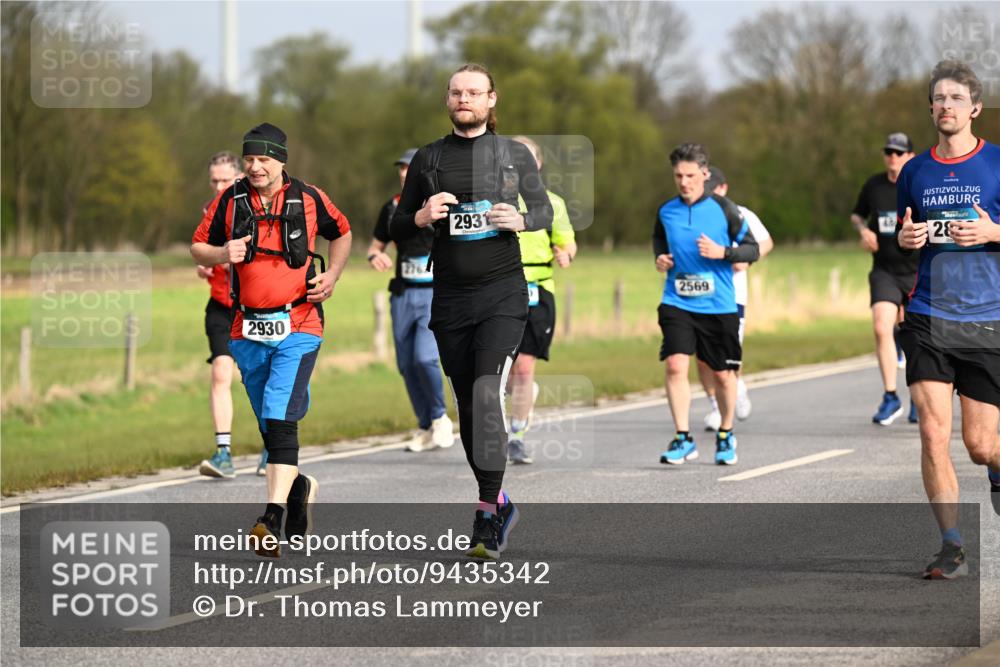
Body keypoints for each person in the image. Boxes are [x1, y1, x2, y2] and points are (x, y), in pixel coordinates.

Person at [390, 64, 553, 559]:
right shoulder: (429, 157)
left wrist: (520, 219)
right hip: (451, 299)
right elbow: (398, 223)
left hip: (502, 295)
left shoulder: (513, 154)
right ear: (448, 100)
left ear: (491, 100)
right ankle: (499, 501)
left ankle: (484, 514)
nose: (465, 99)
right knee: (469, 409)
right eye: (457, 92)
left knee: (486, 395)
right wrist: (421, 215)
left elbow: (544, 210)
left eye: (474, 92)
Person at [191, 122, 352, 557]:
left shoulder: (310, 197)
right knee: (269, 422)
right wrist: (222, 253)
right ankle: (298, 489)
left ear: (281, 160)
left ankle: (271, 519)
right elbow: (198, 246)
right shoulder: (230, 200)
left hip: (299, 324)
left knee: (280, 414)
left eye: (263, 159)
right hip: (246, 328)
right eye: (249, 159)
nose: (255, 166)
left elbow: (342, 231)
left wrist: (333, 275)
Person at [896, 60, 1000, 579]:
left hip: (987, 318)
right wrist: (905, 238)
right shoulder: (915, 171)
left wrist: (992, 233)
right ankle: (952, 546)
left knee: (980, 446)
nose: (946, 106)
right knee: (933, 431)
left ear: (975, 108)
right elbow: (904, 232)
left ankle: (996, 469)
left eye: (956, 98)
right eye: (938, 98)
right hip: (928, 314)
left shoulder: (997, 163)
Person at [653, 143, 759, 466]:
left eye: (690, 176)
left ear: (704, 174)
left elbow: (752, 249)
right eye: (678, 176)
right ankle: (683, 437)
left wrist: (723, 252)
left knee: (723, 376)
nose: (684, 182)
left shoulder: (725, 209)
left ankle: (726, 433)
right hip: (677, 300)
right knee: (675, 365)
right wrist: (660, 259)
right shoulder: (666, 211)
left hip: (718, 305)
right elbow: (659, 242)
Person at [367, 149, 455, 452]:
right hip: (402, 294)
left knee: (425, 358)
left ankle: (440, 417)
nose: (404, 173)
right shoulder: (392, 207)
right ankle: (426, 425)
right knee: (406, 364)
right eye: (401, 168)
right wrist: (375, 256)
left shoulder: (443, 204)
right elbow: (376, 246)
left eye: (410, 167)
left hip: (434, 293)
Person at [195, 152, 269, 479]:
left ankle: (272, 447)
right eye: (214, 181)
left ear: (239, 177)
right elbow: (202, 251)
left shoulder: (257, 208)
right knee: (221, 373)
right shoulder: (210, 212)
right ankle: (223, 453)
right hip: (221, 306)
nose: (218, 186)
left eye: (225, 180)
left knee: (259, 378)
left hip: (253, 307)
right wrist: (206, 264)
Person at [506, 135, 577, 465]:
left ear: (537, 164)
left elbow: (567, 242)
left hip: (538, 288)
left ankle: (516, 436)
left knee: (524, 367)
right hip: (500, 289)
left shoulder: (553, 203)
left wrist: (566, 254)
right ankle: (521, 396)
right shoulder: (492, 199)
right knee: (498, 370)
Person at [851, 133, 919, 426]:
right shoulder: (874, 185)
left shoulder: (919, 185)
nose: (893, 157)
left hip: (917, 270)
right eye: (889, 152)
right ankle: (891, 396)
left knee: (915, 335)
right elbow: (857, 215)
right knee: (881, 327)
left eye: (899, 152)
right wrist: (864, 231)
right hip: (885, 270)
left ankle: (919, 396)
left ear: (910, 156)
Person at [698, 167, 773, 431]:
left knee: (727, 353)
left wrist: (746, 260)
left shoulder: (741, 213)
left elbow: (765, 242)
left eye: (713, 190)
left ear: (723, 188)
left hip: (732, 295)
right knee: (702, 357)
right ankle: (716, 407)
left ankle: (735, 385)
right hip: (699, 293)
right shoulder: (694, 214)